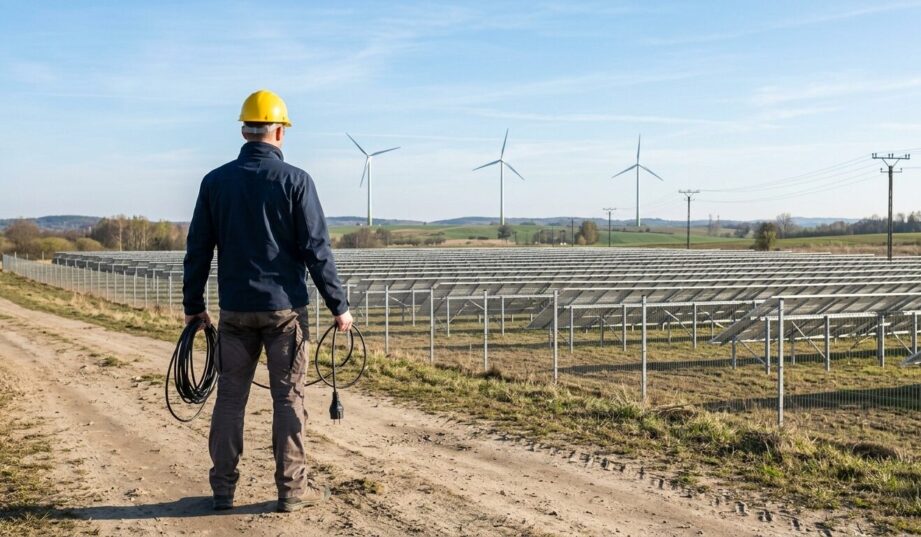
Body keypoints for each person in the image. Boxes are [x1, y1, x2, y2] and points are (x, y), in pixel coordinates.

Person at [182, 89, 353, 513]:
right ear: (278, 131)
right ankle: (291, 491)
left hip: (235, 311)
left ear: (244, 130)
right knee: (288, 399)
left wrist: (194, 306)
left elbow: (198, 248)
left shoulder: (214, 182)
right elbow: (317, 249)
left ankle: (222, 490)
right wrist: (339, 306)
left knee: (229, 399)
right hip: (285, 313)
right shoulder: (297, 181)